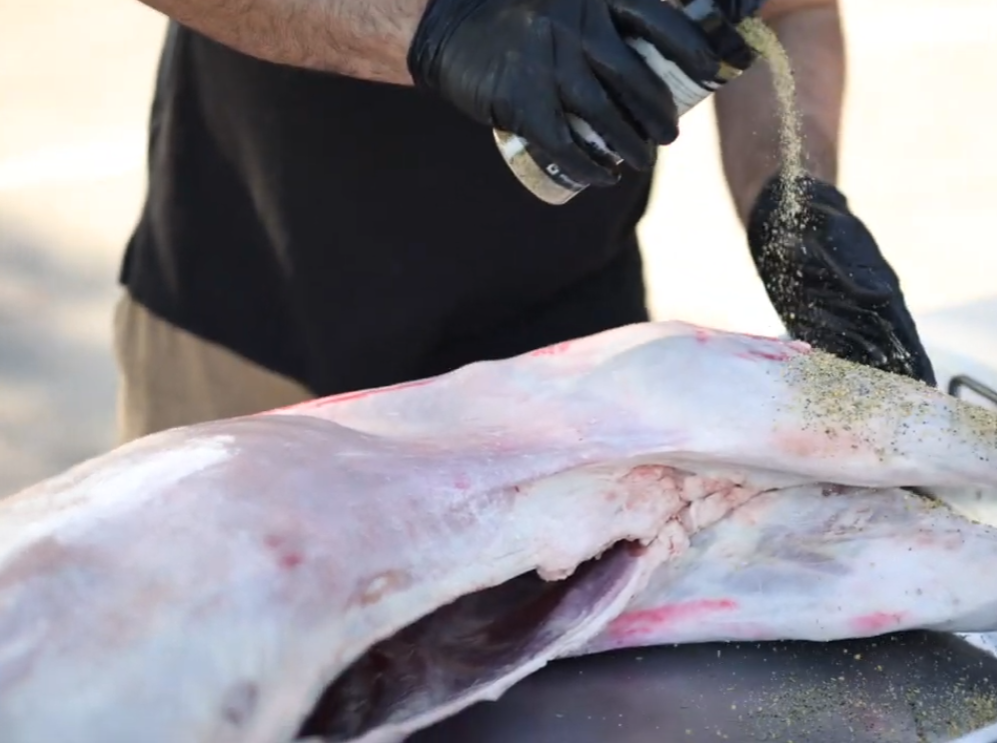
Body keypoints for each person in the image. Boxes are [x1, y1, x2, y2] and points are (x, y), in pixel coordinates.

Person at [115, 0, 934, 443]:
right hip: (257, 325)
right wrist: (435, 28)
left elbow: (783, 12)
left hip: (567, 344)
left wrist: (791, 195)